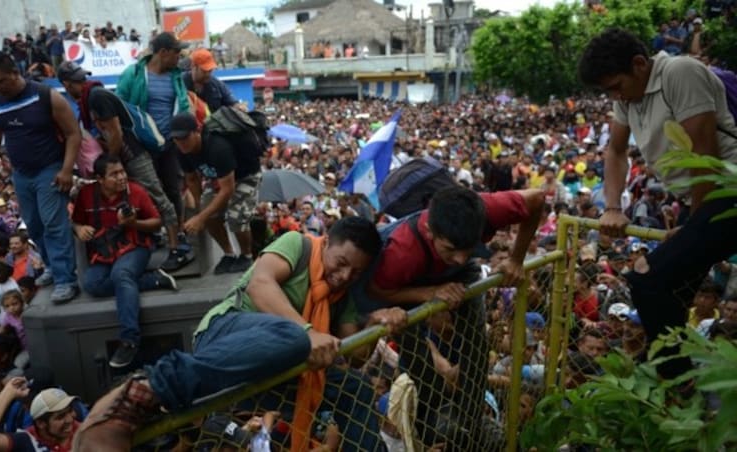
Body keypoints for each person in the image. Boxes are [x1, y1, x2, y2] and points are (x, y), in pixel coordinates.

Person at [73, 217, 408, 452]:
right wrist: (306, 331)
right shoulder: (298, 244)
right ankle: (143, 392)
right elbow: (260, 285)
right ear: (327, 242)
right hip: (228, 334)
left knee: (356, 390)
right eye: (341, 262)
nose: (344, 275)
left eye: (356, 272)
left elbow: (353, 354)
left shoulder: (342, 296)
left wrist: (377, 324)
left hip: (278, 369)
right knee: (291, 338)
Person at [579, 28, 737, 379]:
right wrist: (613, 206)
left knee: (646, 279)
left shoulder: (679, 73)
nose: (614, 96)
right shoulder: (627, 97)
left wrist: (693, 226)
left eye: (616, 86)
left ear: (639, 64)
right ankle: (672, 366)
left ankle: (679, 385)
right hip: (701, 199)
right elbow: (616, 150)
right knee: (675, 296)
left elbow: (703, 155)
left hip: (727, 191)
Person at [357, 185, 544, 450]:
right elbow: (377, 290)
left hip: (460, 279)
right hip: (408, 286)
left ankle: (471, 418)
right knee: (416, 357)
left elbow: (537, 199)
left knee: (476, 344)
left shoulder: (486, 210)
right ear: (430, 232)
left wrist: (516, 259)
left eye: (468, 248)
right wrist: (430, 293)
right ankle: (428, 425)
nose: (459, 258)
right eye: (451, 249)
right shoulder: (401, 251)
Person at [57, 61, 183, 265]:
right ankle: (158, 238)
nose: (81, 82)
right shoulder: (90, 98)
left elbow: (115, 131)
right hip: (124, 157)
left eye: (78, 80)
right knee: (134, 199)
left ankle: (177, 247)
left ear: (67, 85)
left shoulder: (96, 97)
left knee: (159, 197)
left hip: (132, 154)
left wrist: (113, 162)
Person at [0, 50, 80, 304]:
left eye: (1, 81)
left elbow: (73, 133)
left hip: (50, 168)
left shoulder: (47, 96)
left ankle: (65, 279)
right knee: (33, 225)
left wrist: (66, 170)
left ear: (15, 73)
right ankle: (50, 266)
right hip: (21, 173)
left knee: (53, 223)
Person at [72, 155, 178, 368]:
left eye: (122, 172)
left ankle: (129, 340)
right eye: (114, 174)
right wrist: (79, 229)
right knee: (91, 284)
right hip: (104, 252)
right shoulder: (86, 195)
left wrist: (134, 223)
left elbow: (157, 223)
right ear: (100, 179)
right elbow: (76, 221)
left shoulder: (136, 191)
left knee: (121, 275)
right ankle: (152, 280)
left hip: (135, 247)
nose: (121, 177)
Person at [116, 32, 193, 272]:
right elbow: (120, 105)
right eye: (176, 52)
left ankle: (178, 235)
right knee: (150, 193)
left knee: (173, 189)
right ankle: (158, 234)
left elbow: (183, 103)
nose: (179, 56)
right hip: (142, 145)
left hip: (170, 143)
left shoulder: (176, 76)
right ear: (163, 52)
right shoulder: (134, 74)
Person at [171, 111, 262, 274]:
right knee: (208, 214)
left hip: (246, 175)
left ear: (196, 132)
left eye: (185, 138)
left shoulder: (217, 147)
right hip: (218, 178)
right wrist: (201, 208)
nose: (181, 143)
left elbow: (228, 189)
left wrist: (201, 216)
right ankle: (228, 253)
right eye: (177, 139)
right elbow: (191, 179)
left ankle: (246, 256)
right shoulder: (181, 150)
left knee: (237, 217)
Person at [0, 378, 81, 451]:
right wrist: (7, 393)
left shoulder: (83, 431)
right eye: (60, 417)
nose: (70, 420)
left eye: (70, 411)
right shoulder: (27, 441)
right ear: (41, 423)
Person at [183, 48, 238, 113]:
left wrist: (239, 107)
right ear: (193, 66)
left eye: (210, 70)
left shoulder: (217, 84)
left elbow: (233, 103)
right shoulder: (180, 83)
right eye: (204, 71)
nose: (207, 74)